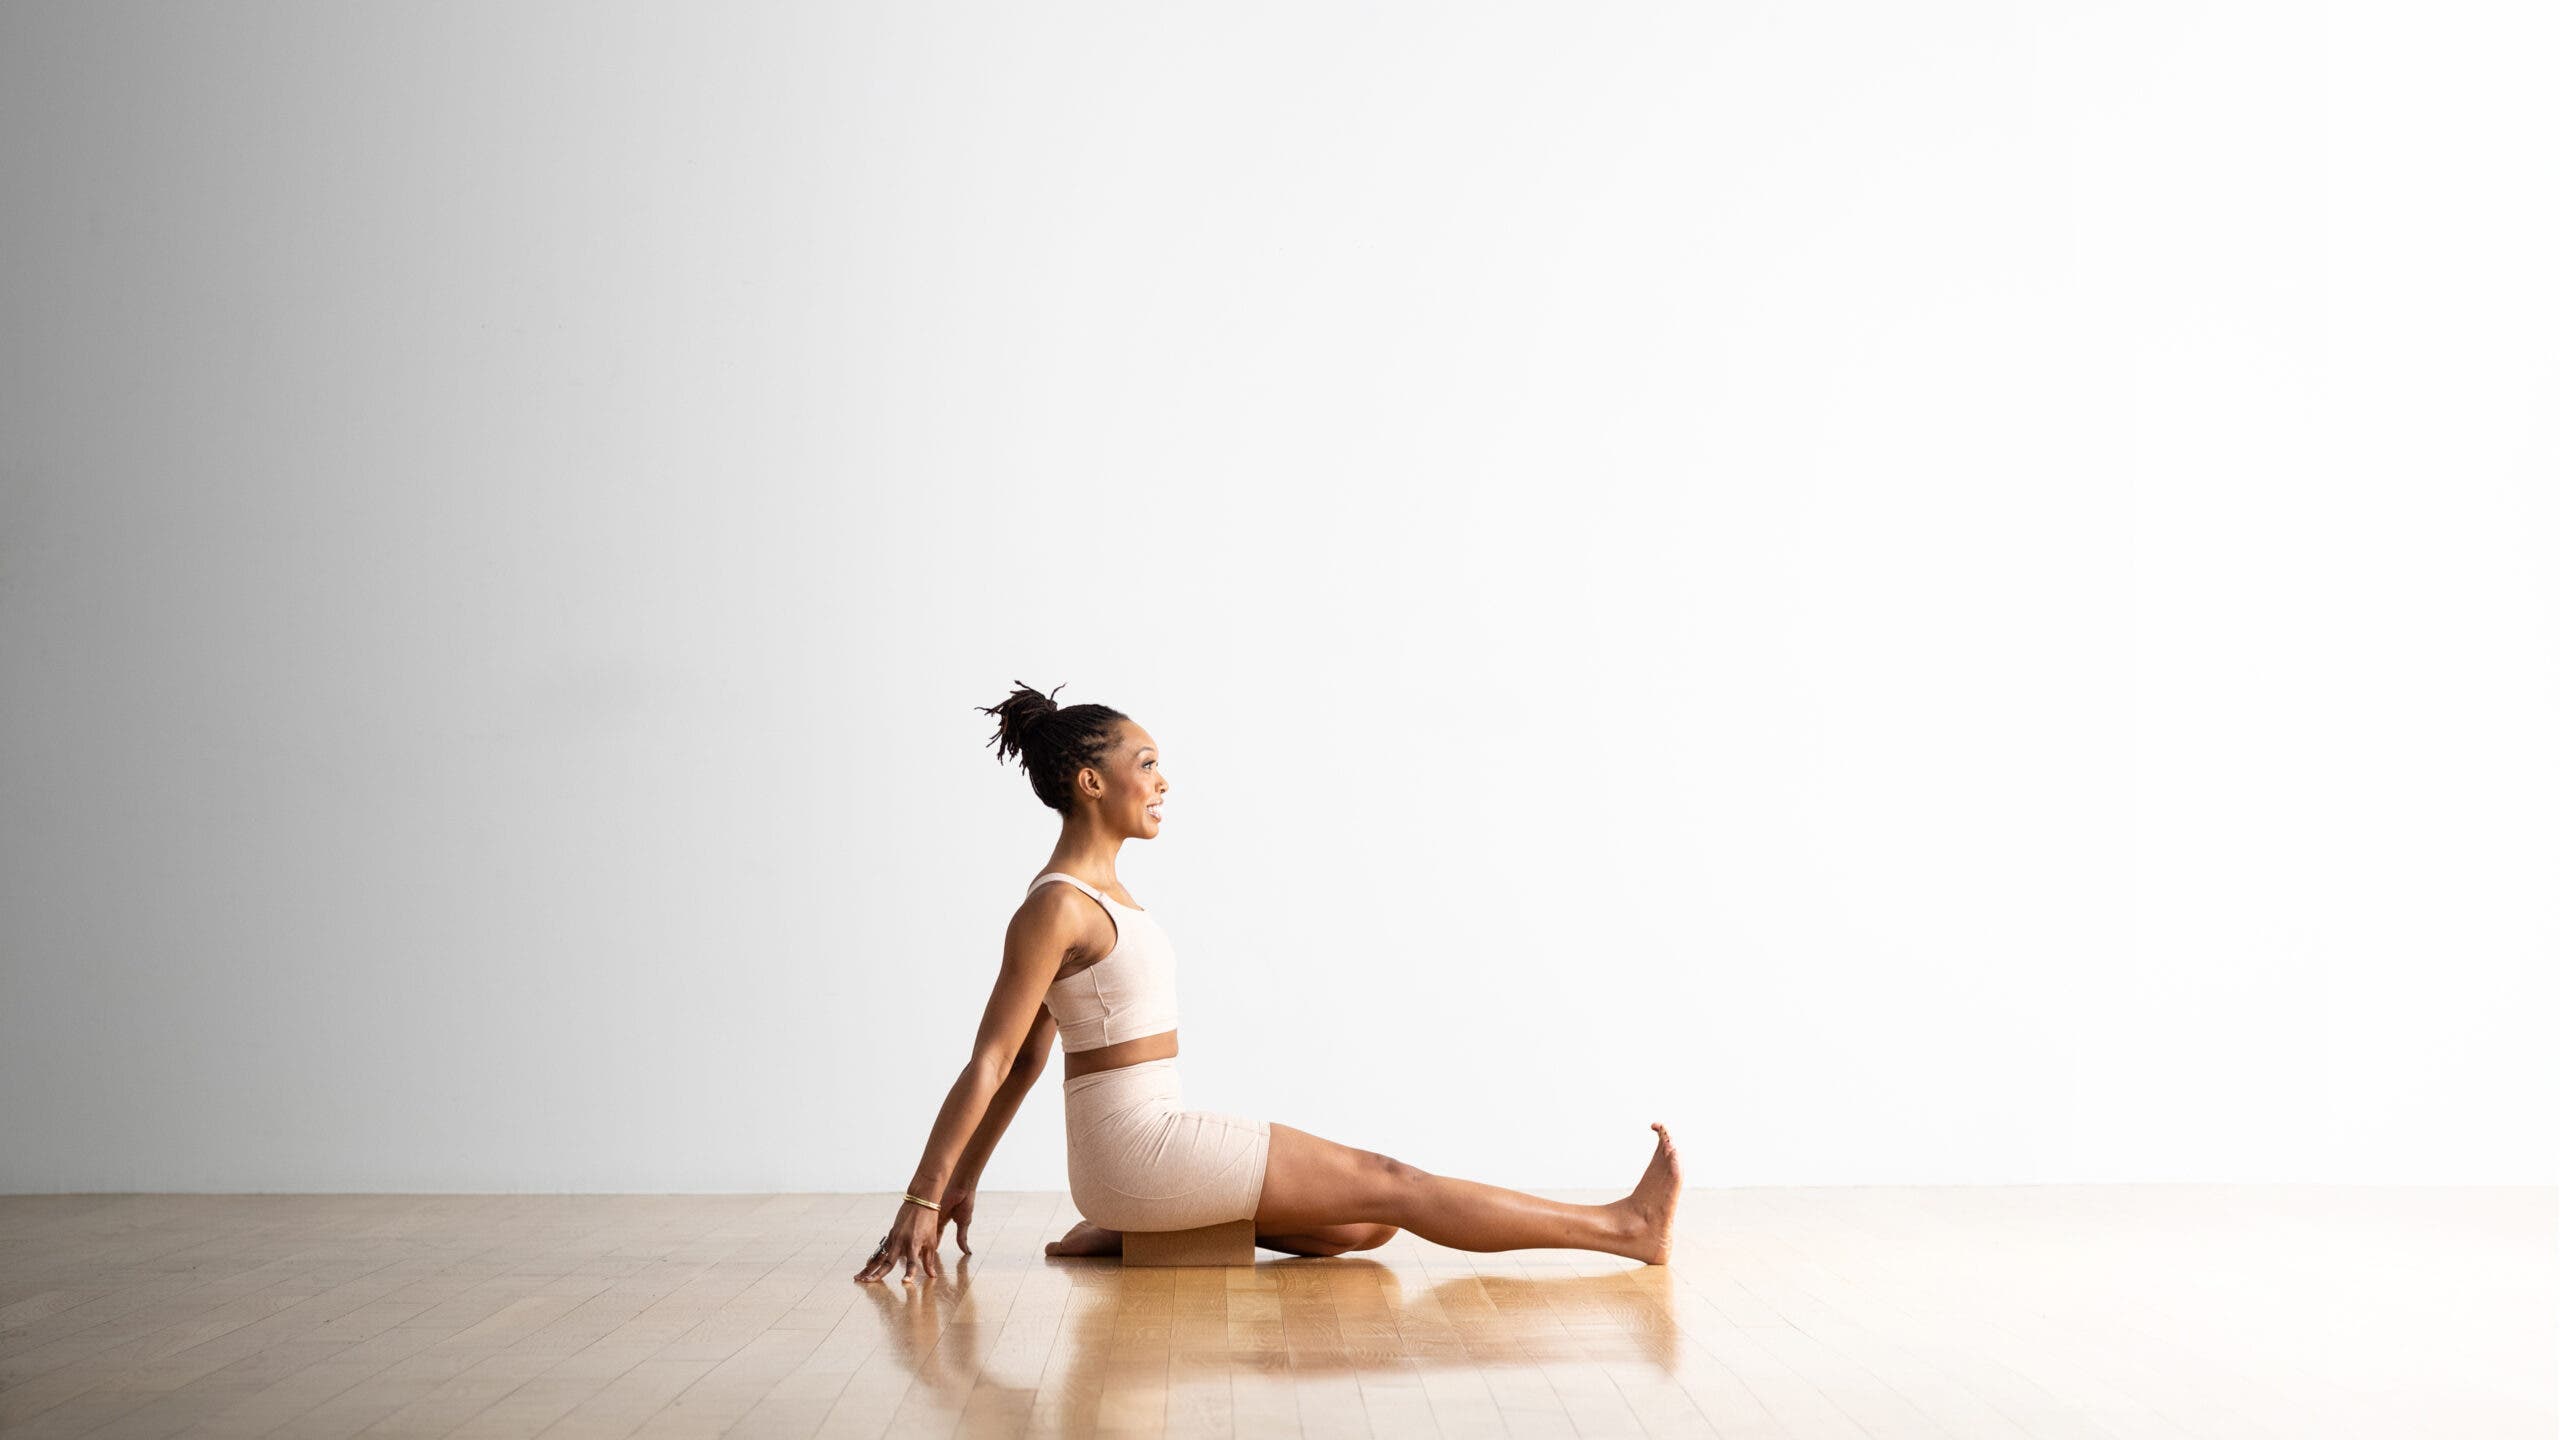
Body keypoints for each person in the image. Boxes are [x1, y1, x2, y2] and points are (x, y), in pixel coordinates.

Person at [856, 681, 1682, 1284]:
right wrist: (927, 1197)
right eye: (1146, 763)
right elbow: (998, 1061)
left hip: (1139, 1151)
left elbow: (1034, 1063)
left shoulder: (1101, 899)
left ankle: (1138, 1233)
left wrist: (967, 1182)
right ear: (1091, 781)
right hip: (1135, 1148)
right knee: (1396, 1182)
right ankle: (1623, 1229)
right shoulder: (1055, 908)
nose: (1164, 780)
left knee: (1361, 1228)